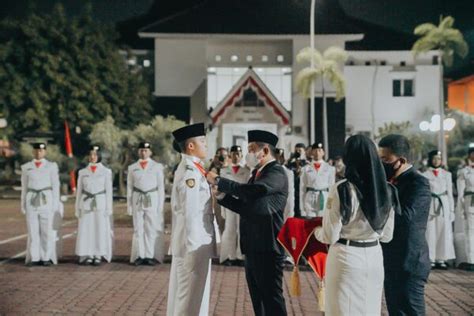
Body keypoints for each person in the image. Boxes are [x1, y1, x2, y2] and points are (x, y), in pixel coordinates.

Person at [207, 130, 288, 316]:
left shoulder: (276, 172)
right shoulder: (257, 173)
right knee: (258, 299)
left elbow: (253, 192)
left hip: (268, 246)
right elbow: (248, 206)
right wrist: (221, 196)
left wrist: (219, 181)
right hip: (252, 245)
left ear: (265, 150)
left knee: (272, 299)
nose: (249, 154)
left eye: (251, 149)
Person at [314, 135, 397, 315]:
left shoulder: (342, 189)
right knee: (369, 310)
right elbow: (387, 235)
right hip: (374, 257)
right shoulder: (387, 190)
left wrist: (315, 232)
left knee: (341, 310)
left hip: (346, 257)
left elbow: (329, 235)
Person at [167, 123, 217, 316]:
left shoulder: (196, 169)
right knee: (188, 298)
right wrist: (193, 246)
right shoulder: (191, 173)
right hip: (194, 244)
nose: (206, 145)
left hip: (198, 242)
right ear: (190, 146)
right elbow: (189, 213)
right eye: (202, 141)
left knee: (196, 296)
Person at [378, 134, 431, 315]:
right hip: (391, 260)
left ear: (401, 160)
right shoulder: (390, 181)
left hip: (410, 261)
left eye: (386, 160)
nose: (382, 164)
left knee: (411, 310)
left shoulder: (419, 183)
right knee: (396, 311)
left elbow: (407, 218)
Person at [21, 142, 61, 266]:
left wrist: (55, 204)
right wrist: (22, 204)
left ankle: (46, 257)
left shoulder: (52, 166)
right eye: (36, 150)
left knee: (46, 231)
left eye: (41, 151)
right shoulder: (26, 167)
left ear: (45, 152)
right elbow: (24, 187)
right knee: (33, 231)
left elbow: (56, 186)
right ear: (33, 152)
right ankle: (34, 257)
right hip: (31, 200)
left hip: (46, 201)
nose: (39, 153)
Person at [127, 142, 166, 266]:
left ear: (150, 152)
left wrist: (160, 205)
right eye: (141, 150)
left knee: (150, 227)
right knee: (138, 228)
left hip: (152, 199)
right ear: (138, 152)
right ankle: (139, 255)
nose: (143, 152)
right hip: (137, 198)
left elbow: (161, 187)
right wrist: (129, 206)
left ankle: (150, 255)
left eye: (146, 150)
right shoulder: (132, 167)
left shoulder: (157, 166)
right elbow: (129, 187)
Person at [75, 145, 114, 265]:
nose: (93, 157)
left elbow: (109, 191)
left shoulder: (106, 172)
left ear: (99, 156)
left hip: (100, 204)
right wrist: (77, 207)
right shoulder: (82, 172)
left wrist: (109, 208)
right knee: (87, 230)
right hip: (86, 204)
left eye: (95, 155)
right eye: (91, 154)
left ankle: (98, 254)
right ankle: (88, 254)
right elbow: (79, 191)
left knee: (99, 230)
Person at [421, 150, 455, 269]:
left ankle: (442, 258)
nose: (437, 161)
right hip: (431, 204)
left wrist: (451, 210)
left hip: (443, 204)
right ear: (430, 159)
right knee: (430, 231)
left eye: (439, 159)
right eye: (434, 158)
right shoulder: (424, 175)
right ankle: (431, 258)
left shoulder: (447, 174)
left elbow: (450, 193)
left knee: (443, 231)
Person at [219, 145, 251, 266]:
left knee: (241, 229)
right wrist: (222, 208)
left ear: (241, 155)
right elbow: (221, 190)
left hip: (242, 203)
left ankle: (240, 256)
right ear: (230, 156)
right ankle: (229, 256)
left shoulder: (246, 171)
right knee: (229, 229)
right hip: (229, 202)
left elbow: (248, 189)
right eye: (233, 154)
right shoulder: (224, 170)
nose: (235, 156)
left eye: (238, 154)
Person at [300, 142, 336, 217]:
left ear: (323, 153)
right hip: (310, 199)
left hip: (324, 198)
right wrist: (302, 209)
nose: (317, 153)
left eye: (319, 150)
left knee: (322, 223)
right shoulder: (306, 169)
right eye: (315, 150)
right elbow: (302, 189)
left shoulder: (330, 168)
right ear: (311, 152)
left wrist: (330, 206)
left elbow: (332, 189)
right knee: (309, 224)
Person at [457, 147, 474, 271]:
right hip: (470, 202)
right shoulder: (464, 171)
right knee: (470, 231)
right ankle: (471, 259)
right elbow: (460, 191)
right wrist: (461, 207)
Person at [286, 143, 307, 217]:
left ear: (304, 151)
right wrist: (290, 159)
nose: (298, 152)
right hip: (294, 192)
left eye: (300, 151)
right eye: (296, 151)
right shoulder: (291, 164)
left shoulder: (307, 165)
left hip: (304, 193)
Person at [276, 148, 295, 220]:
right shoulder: (268, 172)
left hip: (284, 205)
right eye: (276, 157)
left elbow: (290, 193)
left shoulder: (288, 173)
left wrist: (290, 211)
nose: (278, 159)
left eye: (281, 157)